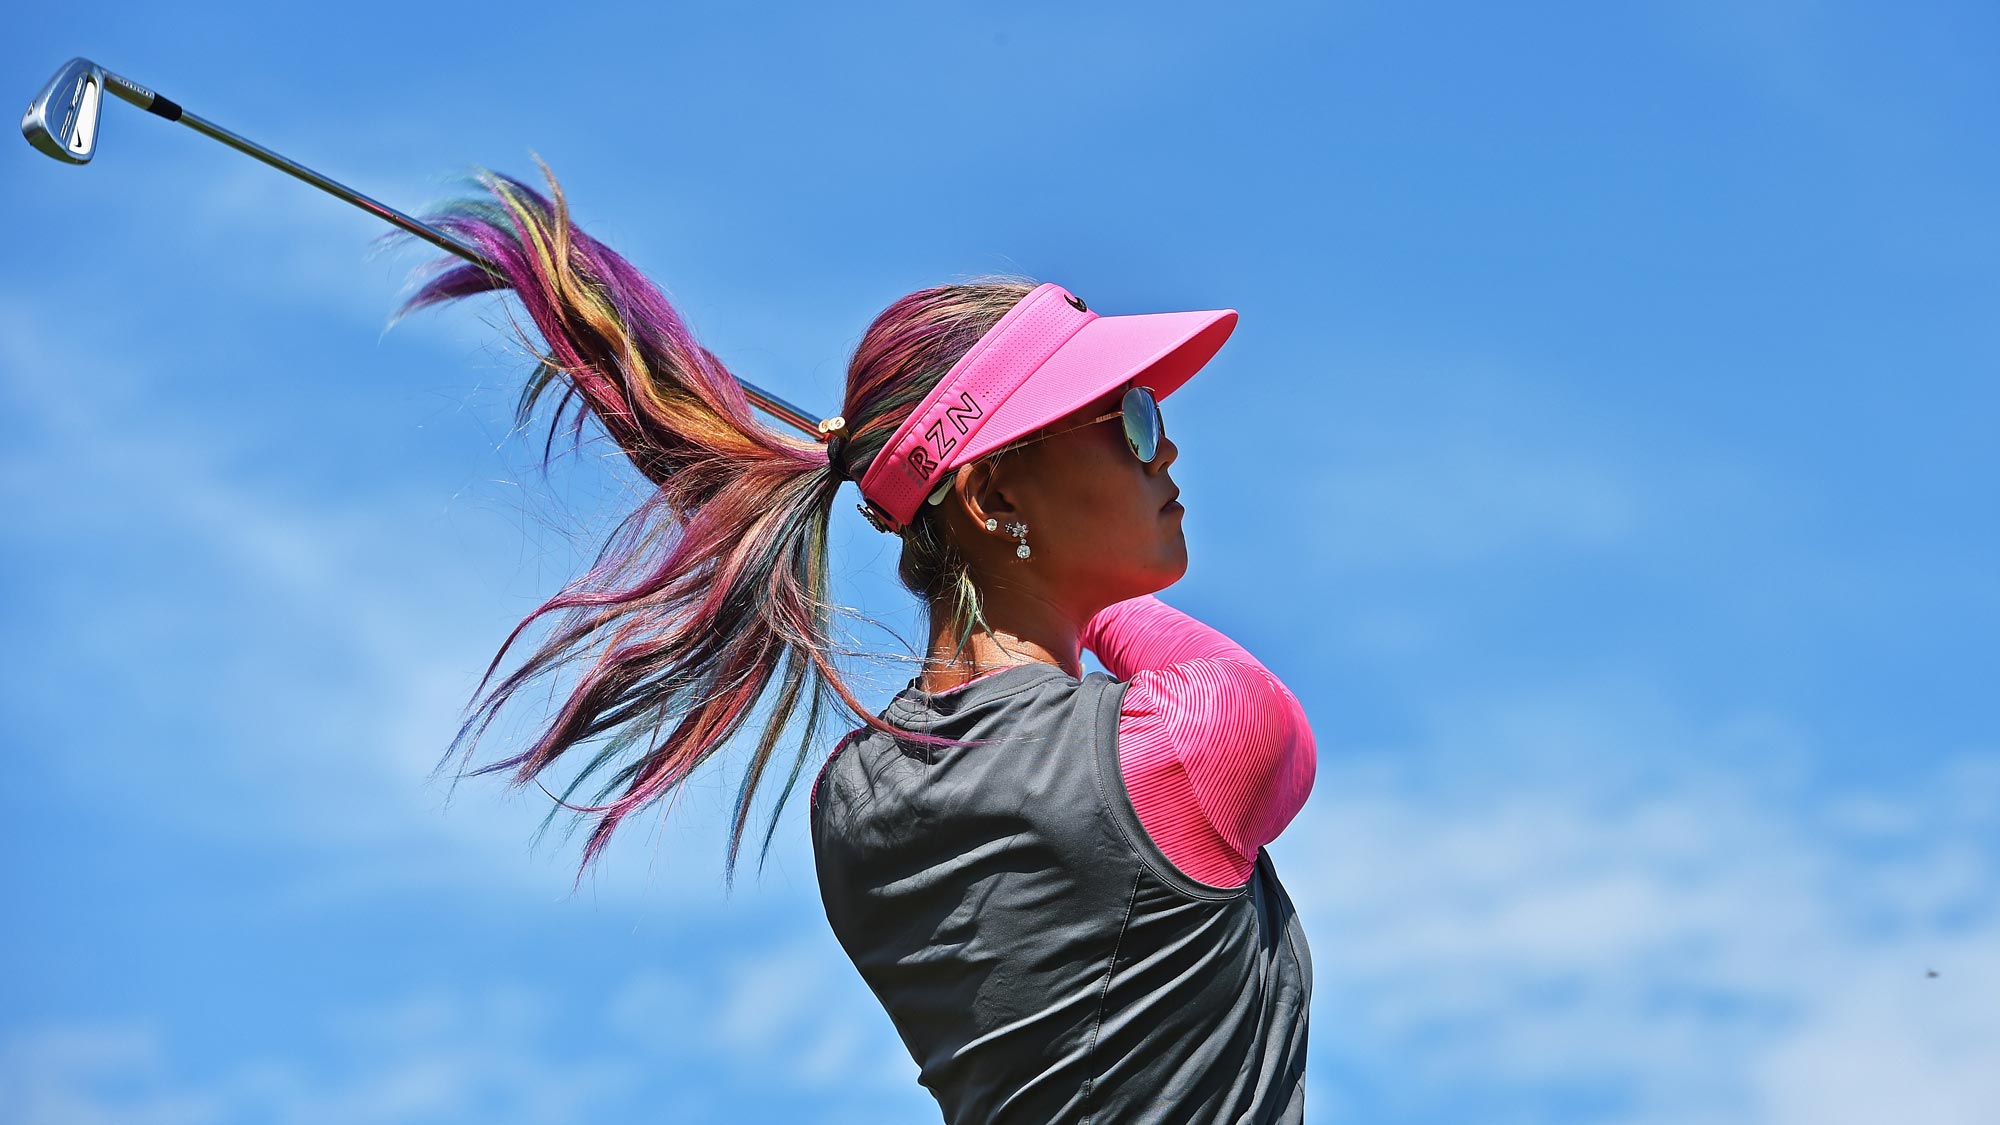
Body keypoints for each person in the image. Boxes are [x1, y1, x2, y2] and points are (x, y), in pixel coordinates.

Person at [389, 160, 1317, 1123]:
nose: (1161, 447)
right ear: (996, 495)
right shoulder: (1198, 739)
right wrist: (933, 495)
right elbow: (1217, 694)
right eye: (1127, 416)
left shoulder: (858, 797)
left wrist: (920, 487)